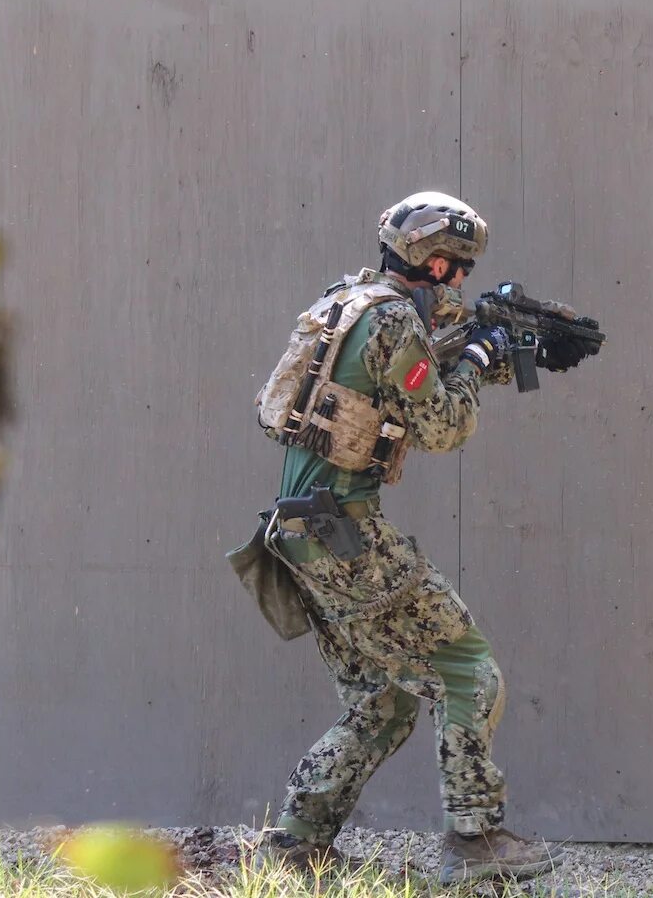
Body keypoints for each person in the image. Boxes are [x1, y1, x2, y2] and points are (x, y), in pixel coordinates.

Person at [255, 192, 583, 884]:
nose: (460, 282)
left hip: (301, 530)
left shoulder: (351, 302)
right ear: (435, 262)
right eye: (458, 269)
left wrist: (503, 347)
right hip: (345, 531)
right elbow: (441, 425)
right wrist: (480, 359)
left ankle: (295, 844)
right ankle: (475, 839)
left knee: (386, 697)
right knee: (469, 670)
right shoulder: (397, 319)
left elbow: (411, 373)